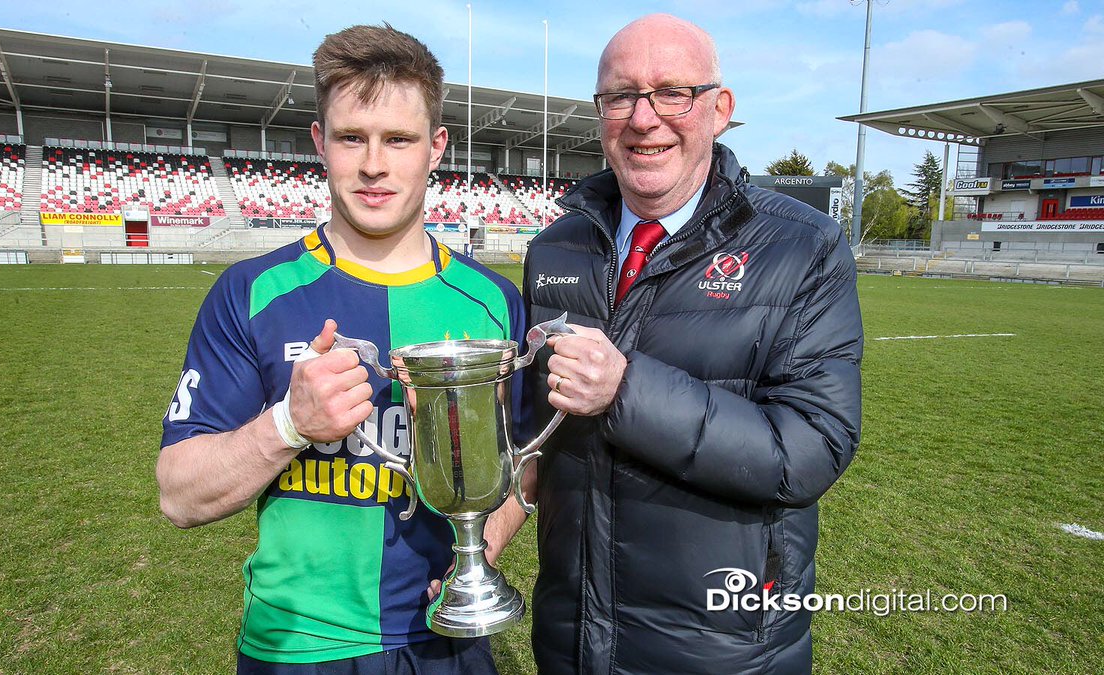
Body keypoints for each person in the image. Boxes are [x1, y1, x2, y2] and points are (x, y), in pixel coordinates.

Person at [157, 24, 524, 674]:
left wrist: (480, 552)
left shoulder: (492, 302)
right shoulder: (251, 291)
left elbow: (525, 464)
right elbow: (179, 495)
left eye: (399, 139)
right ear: (320, 142)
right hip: (299, 647)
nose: (374, 164)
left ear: (436, 147)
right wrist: (288, 423)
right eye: (353, 137)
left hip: (451, 644)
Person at [514, 13, 864, 674]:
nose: (643, 119)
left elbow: (812, 448)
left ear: (720, 109)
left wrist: (627, 389)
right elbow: (533, 437)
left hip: (724, 646)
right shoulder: (555, 247)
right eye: (621, 96)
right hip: (571, 638)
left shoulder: (803, 246)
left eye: (672, 92)